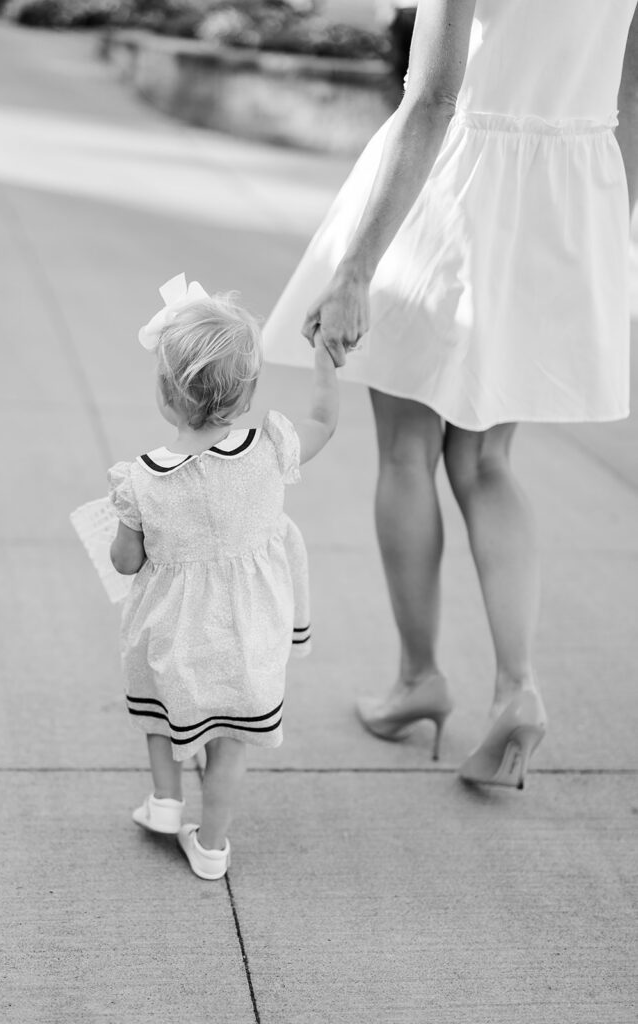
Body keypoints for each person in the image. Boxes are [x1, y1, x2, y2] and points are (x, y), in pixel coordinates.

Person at [263, 0, 638, 789]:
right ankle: (517, 685)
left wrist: (356, 266)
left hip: (449, 198)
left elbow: (432, 99)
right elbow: (627, 99)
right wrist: (609, 238)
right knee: (487, 461)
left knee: (406, 453)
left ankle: (418, 677)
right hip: (559, 206)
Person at [108, 273, 338, 878]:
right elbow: (325, 421)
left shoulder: (141, 479)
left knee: (161, 707)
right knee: (229, 740)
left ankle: (165, 800)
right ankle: (210, 847)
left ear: (165, 392)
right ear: (248, 392)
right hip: (247, 636)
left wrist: (125, 526)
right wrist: (325, 361)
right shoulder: (271, 449)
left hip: (174, 633)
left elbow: (126, 562)